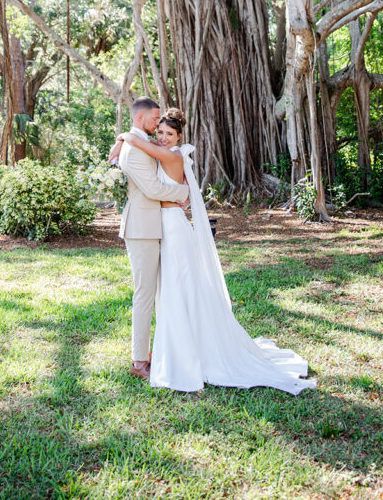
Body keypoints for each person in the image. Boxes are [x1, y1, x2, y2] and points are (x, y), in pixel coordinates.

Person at [115, 107, 316, 395]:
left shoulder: (172, 155)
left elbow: (146, 156)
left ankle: (186, 353)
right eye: (160, 131)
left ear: (179, 136)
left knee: (181, 290)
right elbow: (145, 153)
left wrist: (125, 136)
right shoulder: (164, 150)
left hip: (172, 228)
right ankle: (179, 348)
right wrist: (123, 141)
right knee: (176, 291)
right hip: (165, 228)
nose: (162, 137)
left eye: (168, 133)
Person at [112, 97, 189, 382]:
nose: (159, 124)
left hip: (155, 226)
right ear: (140, 117)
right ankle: (139, 360)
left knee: (159, 293)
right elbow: (153, 188)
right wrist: (184, 194)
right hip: (141, 228)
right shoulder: (134, 148)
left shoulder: (141, 141)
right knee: (144, 294)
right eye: (155, 119)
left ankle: (157, 350)